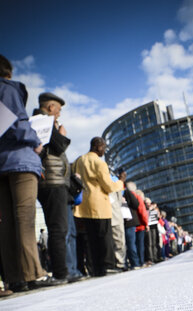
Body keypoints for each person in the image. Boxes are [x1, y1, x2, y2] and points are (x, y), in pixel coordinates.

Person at [0, 55, 51, 292]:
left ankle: (14, 277)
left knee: (7, 223)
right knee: (25, 219)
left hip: (1, 164)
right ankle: (34, 274)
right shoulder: (8, 89)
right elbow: (18, 125)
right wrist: (35, 140)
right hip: (20, 160)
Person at [34, 91, 71, 284]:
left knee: (59, 228)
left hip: (53, 181)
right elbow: (58, 147)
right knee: (58, 229)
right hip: (52, 182)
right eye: (58, 109)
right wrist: (61, 134)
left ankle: (62, 271)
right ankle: (61, 273)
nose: (59, 114)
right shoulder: (41, 122)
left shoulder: (45, 123)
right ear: (50, 107)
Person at [73, 137, 123, 276]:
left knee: (92, 239)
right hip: (99, 204)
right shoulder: (99, 163)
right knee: (104, 237)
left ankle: (96, 268)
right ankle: (108, 265)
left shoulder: (79, 161)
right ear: (97, 146)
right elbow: (108, 186)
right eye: (104, 147)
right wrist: (120, 182)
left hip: (84, 205)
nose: (104, 150)